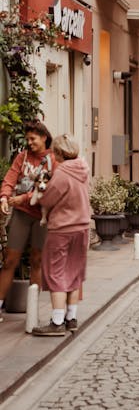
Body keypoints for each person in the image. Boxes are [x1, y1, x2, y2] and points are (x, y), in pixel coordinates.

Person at [32, 134, 90, 336]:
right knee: (74, 272)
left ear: (58, 153)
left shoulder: (62, 173)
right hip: (82, 226)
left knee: (56, 272)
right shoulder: (83, 168)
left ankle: (56, 321)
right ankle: (71, 318)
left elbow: (47, 200)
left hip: (63, 228)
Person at [0, 120, 55, 320]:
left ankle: (32, 311)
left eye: (33, 139)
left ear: (44, 138)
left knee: (37, 261)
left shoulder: (52, 160)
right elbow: (10, 178)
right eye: (28, 139)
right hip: (21, 215)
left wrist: (21, 198)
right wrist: (4, 197)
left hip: (42, 217)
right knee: (10, 260)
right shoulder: (22, 157)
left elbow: (50, 187)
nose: (29, 142)